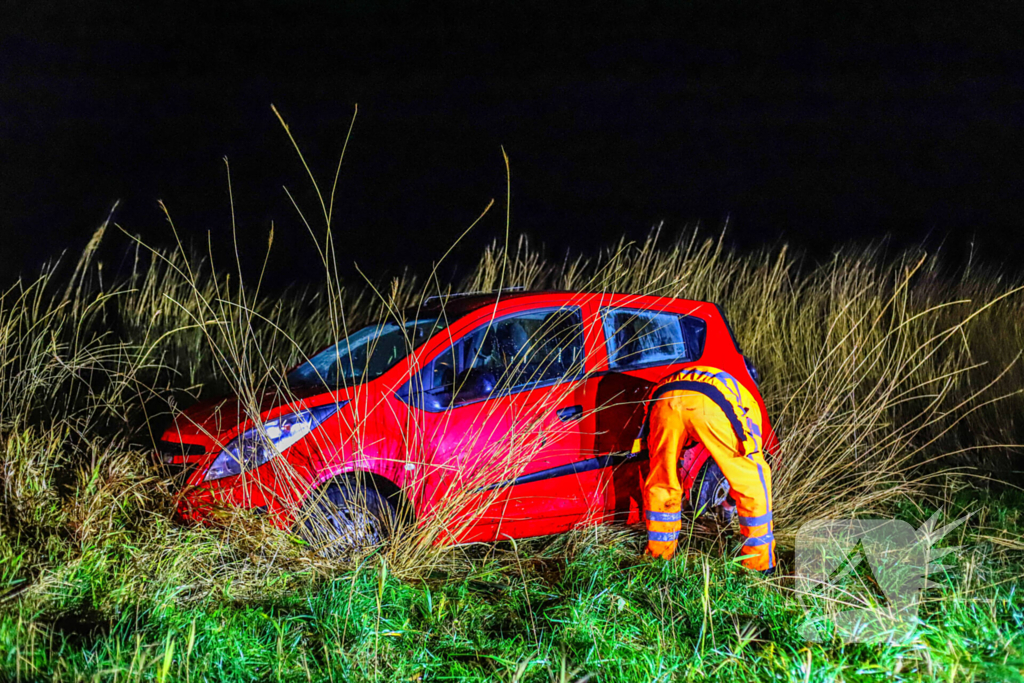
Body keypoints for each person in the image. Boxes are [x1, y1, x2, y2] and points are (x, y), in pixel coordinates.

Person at [633, 365, 775, 574]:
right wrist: (730, 504)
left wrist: (727, 504)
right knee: (752, 479)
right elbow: (744, 474)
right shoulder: (749, 407)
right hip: (710, 403)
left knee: (663, 481)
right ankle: (759, 564)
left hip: (664, 401)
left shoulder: (726, 384)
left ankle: (658, 557)